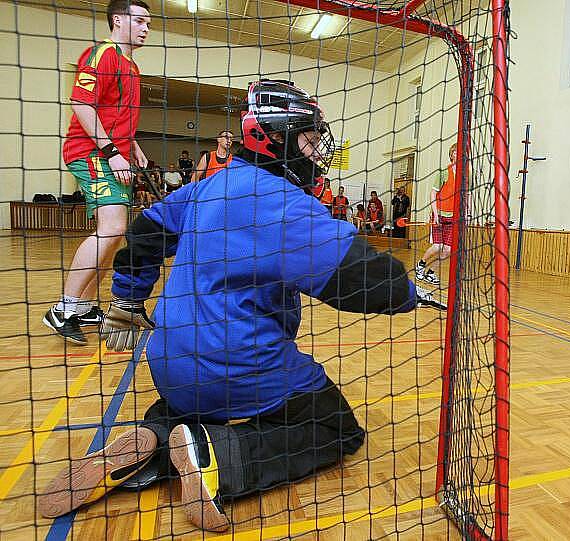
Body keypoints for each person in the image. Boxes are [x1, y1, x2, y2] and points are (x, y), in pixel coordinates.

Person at [37, 79, 445, 532]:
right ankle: (219, 460)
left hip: (169, 364)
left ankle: (152, 439)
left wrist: (128, 301)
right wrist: (411, 293)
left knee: (191, 399)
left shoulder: (208, 187)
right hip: (238, 365)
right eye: (310, 138)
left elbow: (143, 235)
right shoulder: (285, 206)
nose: (318, 152)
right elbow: (363, 282)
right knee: (335, 426)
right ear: (280, 137)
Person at [42, 0, 151, 344]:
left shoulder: (131, 66)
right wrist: (111, 151)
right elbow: (81, 103)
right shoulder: (102, 54)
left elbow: (116, 115)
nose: (147, 28)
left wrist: (133, 146)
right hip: (91, 153)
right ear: (118, 20)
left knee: (114, 234)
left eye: (149, 22)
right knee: (113, 227)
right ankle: (63, 309)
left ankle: (84, 305)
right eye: (140, 21)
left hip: (113, 153)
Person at [415, 142, 459, 286]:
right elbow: (433, 192)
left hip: (454, 217)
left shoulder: (465, 175)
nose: (458, 154)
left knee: (448, 250)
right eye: (455, 152)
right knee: (438, 246)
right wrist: (435, 214)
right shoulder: (443, 172)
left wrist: (468, 214)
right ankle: (421, 265)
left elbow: (467, 195)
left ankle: (431, 272)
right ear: (451, 154)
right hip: (439, 214)